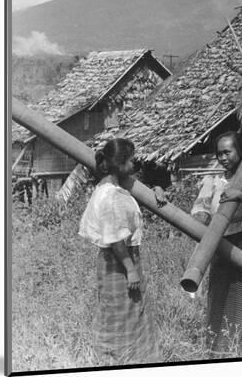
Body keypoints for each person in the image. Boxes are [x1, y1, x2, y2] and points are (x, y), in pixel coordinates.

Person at [190, 131, 242, 357]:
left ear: (240, 150)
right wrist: (198, 223)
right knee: (219, 289)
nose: (223, 157)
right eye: (219, 154)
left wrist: (239, 195)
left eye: (228, 152)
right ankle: (219, 345)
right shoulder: (214, 181)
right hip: (220, 241)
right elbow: (201, 210)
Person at [79, 138, 160, 365]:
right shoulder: (111, 196)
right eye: (131, 159)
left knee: (123, 312)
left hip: (115, 261)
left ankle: (127, 359)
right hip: (120, 261)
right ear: (120, 163)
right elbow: (115, 240)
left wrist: (156, 191)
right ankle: (121, 361)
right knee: (123, 314)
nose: (134, 164)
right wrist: (130, 270)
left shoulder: (111, 189)